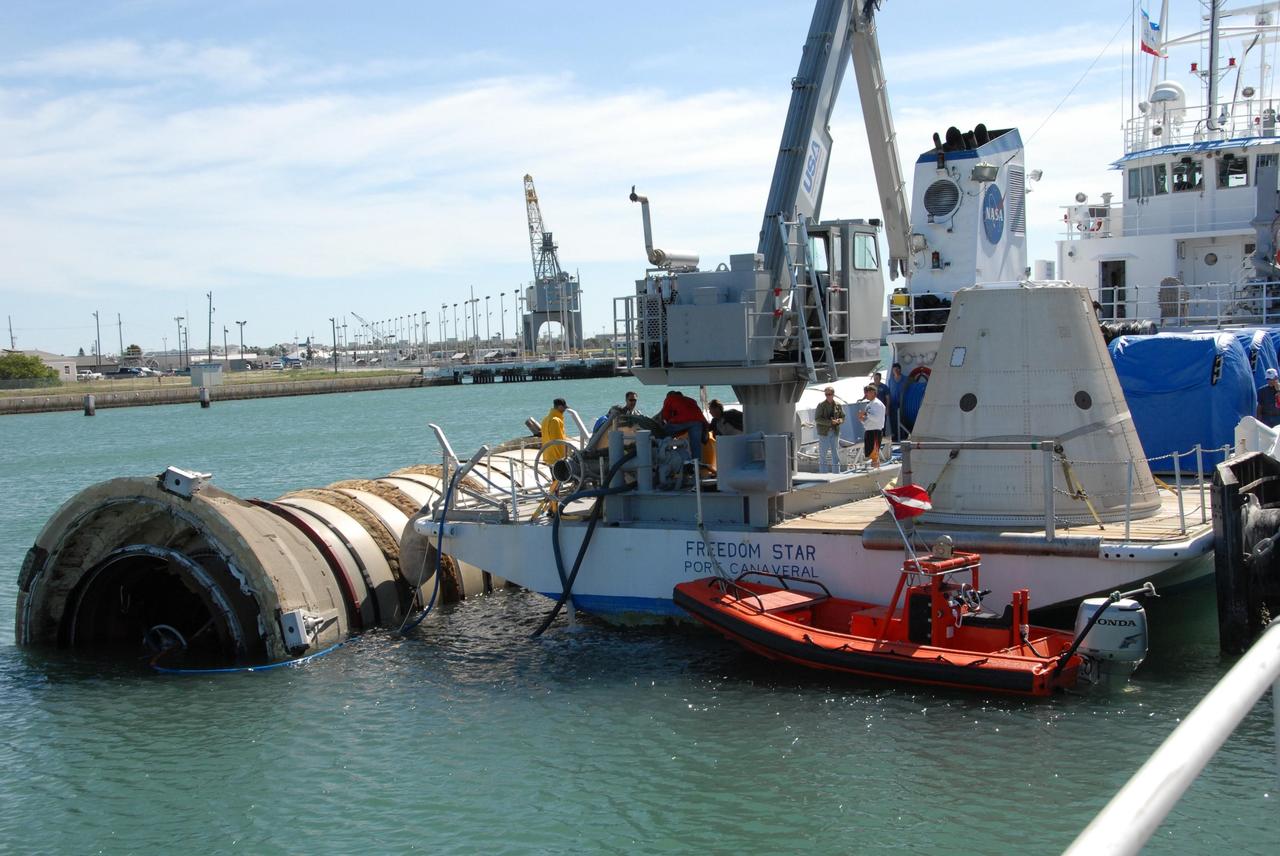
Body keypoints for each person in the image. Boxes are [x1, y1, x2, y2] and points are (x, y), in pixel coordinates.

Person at [658, 390, 709, 462]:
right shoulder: (691, 400)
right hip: (698, 422)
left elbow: (666, 416)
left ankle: (665, 455)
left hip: (683, 420)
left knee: (664, 432)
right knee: (696, 446)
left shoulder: (669, 398)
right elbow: (696, 412)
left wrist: (667, 425)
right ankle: (697, 467)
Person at [814, 387, 844, 473]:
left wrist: (839, 420)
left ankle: (836, 474)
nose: (827, 396)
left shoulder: (838, 405)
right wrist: (830, 422)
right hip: (824, 433)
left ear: (833, 394)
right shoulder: (821, 405)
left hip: (835, 432)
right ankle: (823, 474)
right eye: (826, 394)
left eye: (829, 394)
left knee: (835, 454)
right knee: (823, 455)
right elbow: (817, 419)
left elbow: (843, 416)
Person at [857, 383, 886, 468]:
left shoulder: (878, 404)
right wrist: (862, 419)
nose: (866, 394)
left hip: (875, 432)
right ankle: (875, 470)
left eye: (868, 392)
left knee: (874, 455)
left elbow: (876, 419)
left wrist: (866, 414)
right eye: (866, 392)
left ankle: (876, 472)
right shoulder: (869, 405)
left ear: (873, 392)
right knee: (870, 455)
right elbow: (868, 420)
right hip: (869, 431)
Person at [540, 398, 568, 464]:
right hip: (556, 458)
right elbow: (558, 441)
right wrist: (563, 457)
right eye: (564, 408)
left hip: (548, 455)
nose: (565, 410)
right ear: (560, 407)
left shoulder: (545, 419)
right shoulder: (555, 421)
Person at [886, 363, 905, 441]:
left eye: (897, 369)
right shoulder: (890, 380)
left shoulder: (906, 379)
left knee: (903, 421)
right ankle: (895, 438)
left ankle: (903, 437)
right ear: (893, 371)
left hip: (904, 405)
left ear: (900, 369)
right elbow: (888, 393)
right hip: (893, 405)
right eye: (894, 370)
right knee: (893, 422)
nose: (896, 371)